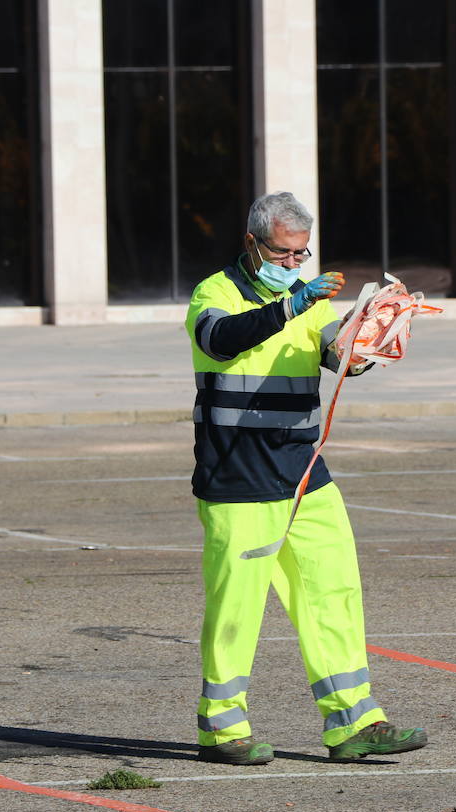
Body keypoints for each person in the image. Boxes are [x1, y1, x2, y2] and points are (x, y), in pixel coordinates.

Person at [185, 191, 428, 765]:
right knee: (236, 608)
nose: (294, 263)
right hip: (237, 475)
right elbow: (220, 340)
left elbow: (335, 355)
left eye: (301, 254)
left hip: (302, 469)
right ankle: (221, 730)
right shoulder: (213, 292)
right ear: (253, 243)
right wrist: (292, 305)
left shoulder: (308, 300)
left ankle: (354, 722)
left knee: (333, 590)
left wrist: (368, 342)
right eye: (283, 253)